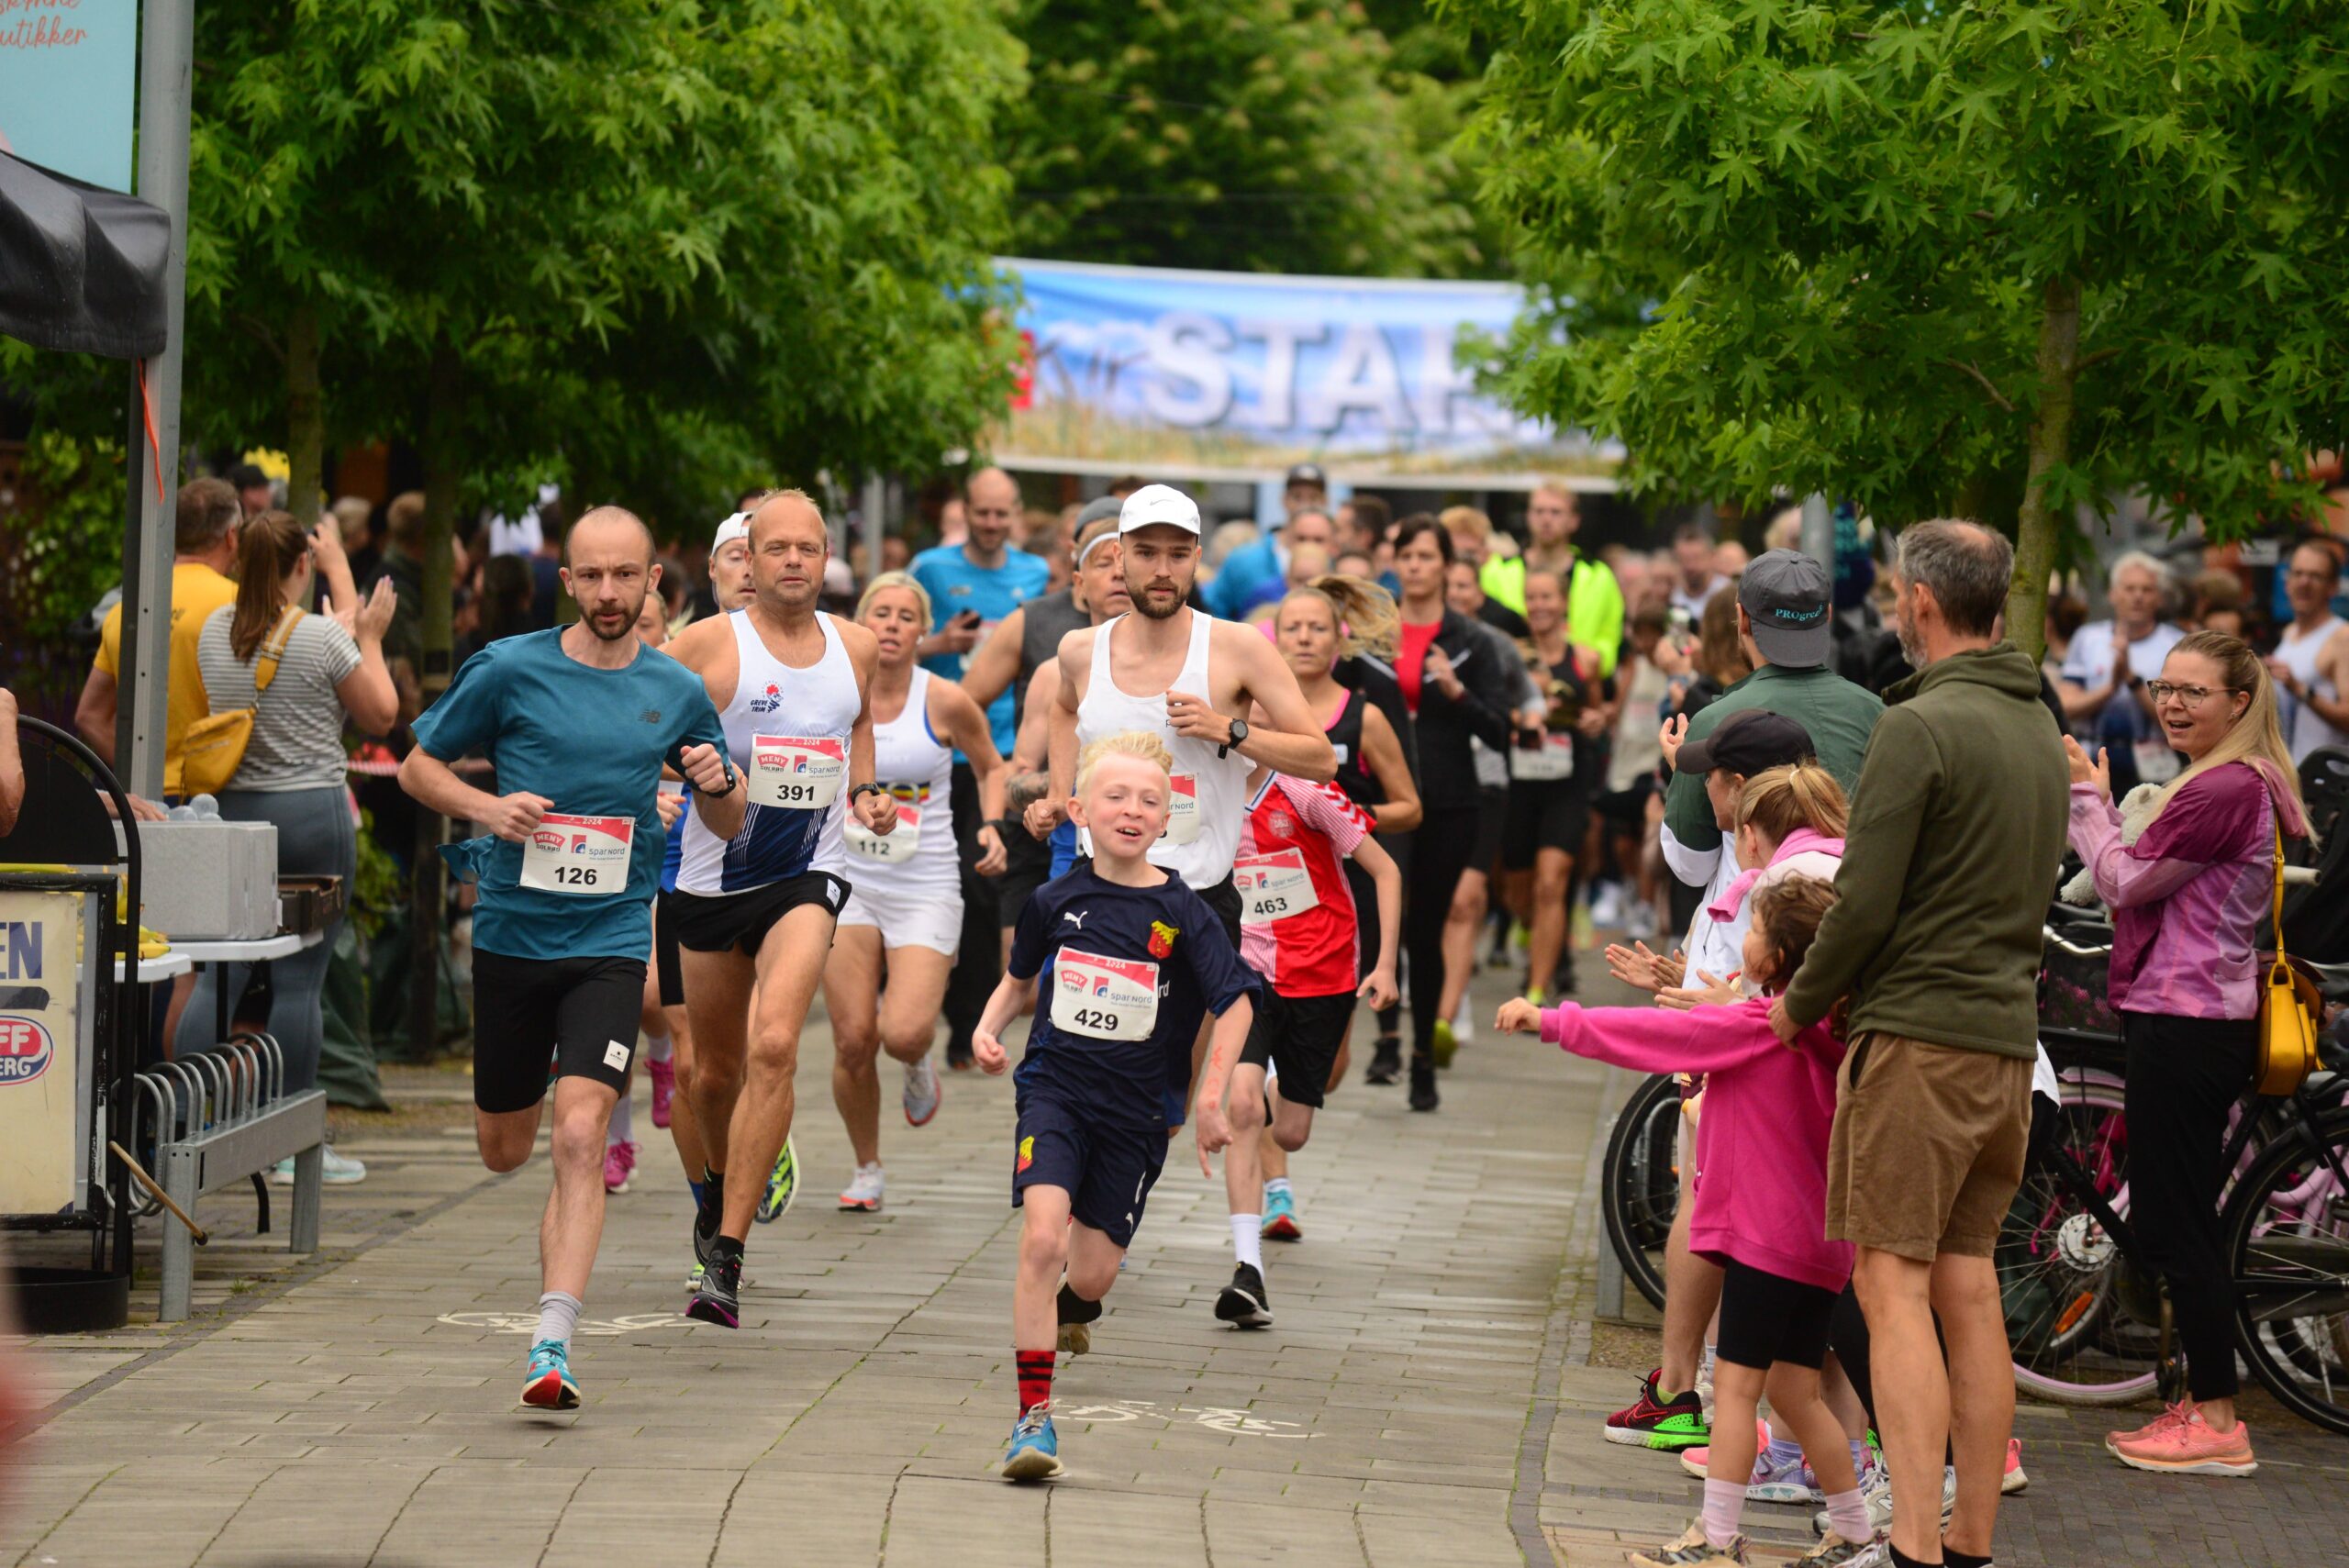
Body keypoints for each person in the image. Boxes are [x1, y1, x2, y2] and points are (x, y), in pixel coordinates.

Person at [1770, 519, 2068, 1568]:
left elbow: (1861, 904)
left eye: (1901, 592)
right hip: (2005, 1044)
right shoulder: (2035, 720)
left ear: (1922, 603)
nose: (1898, 606)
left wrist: (1795, 1004)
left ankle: (1909, 1545)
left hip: (1920, 1040)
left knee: (1890, 1285)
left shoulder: (1920, 723)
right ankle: (1965, 1539)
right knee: (1968, 1285)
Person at [397, 506, 741, 1408]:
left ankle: (552, 1342)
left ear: (653, 580)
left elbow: (728, 815)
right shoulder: (509, 668)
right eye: (591, 575)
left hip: (612, 939)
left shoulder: (675, 688)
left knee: (583, 1133)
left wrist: (719, 785)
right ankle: (532, 1128)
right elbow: (416, 768)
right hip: (513, 936)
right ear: (567, 581)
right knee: (505, 1149)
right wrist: (486, 808)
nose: (608, 592)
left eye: (625, 575)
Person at [1502, 875, 1880, 1568]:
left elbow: (1652, 1034)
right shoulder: (1837, 1030)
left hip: (1763, 1243)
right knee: (1796, 1392)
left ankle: (1715, 1539)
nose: (1744, 937)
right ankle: (1856, 1530)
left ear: (1775, 959)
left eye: (1754, 929)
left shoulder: (1758, 1026)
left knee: (1734, 1392)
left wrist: (1550, 1020)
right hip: (1821, 1248)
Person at [974, 732, 1256, 1481]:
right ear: (1079, 811)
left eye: (1149, 801)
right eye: (1116, 796)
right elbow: (1020, 978)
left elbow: (1235, 1003)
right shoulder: (1053, 900)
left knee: (1092, 1275)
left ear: (1166, 819)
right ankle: (1032, 1419)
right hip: (1054, 1091)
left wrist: (1208, 1096)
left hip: (1136, 1114)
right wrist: (986, 1027)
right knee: (1042, 1240)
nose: (1132, 810)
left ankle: (1075, 1305)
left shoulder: (1183, 910)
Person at [2065, 630, 2310, 1477]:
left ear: (2239, 702)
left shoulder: (2223, 788)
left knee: (2178, 1224)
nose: (2171, 703)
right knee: (2186, 1218)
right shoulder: (2238, 779)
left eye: (2193, 692)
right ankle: (2204, 1407)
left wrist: (2084, 802)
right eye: (2162, 687)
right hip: (2199, 1016)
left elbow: (2124, 882)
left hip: (2185, 1020)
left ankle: (2216, 1419)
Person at [1030, 484, 1336, 1135]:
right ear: (1119, 557)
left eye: (1177, 554)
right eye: (1146, 553)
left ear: (1198, 557)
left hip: (1195, 901)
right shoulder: (1082, 651)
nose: (1162, 569)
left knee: (1161, 1109)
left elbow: (1320, 757)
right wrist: (1060, 796)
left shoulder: (1237, 647)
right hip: (1099, 894)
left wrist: (1230, 730)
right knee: (1072, 1078)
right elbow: (1062, 707)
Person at [660, 490, 897, 1328]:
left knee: (773, 1045)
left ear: (827, 557)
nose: (794, 560)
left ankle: (725, 1256)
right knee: (711, 1073)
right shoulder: (708, 644)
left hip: (808, 873)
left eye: (809, 548)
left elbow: (855, 723)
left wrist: (864, 791)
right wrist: (675, 775)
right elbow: (642, 719)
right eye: (777, 548)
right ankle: (719, 1187)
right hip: (712, 878)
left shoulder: (856, 644)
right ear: (749, 561)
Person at [1601, 714, 1828, 1456]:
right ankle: (1739, 1419)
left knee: (1729, 1233)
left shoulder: (1786, 872)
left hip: (1748, 1076)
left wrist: (1726, 1010)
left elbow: (1784, 997)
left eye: (1710, 779)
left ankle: (1742, 1426)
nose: (1703, 792)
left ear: (1743, 788)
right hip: (1735, 1060)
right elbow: (1748, 982)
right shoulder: (1777, 856)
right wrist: (1680, 981)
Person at [177, 513, 397, 1188]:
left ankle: (185, 1129)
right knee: (301, 978)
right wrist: (370, 638)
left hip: (234, 815)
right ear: (301, 566)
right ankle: (295, 1141)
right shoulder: (321, 637)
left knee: (219, 973)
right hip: (310, 817)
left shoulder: (215, 632)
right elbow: (382, 713)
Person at [814, 573, 1008, 1210]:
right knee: (852, 1038)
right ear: (860, 624)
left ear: (923, 631)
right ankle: (866, 1167)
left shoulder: (945, 699)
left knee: (901, 1033)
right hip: (848, 880)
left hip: (925, 884)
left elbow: (991, 765)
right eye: (881, 612)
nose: (892, 625)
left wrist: (991, 824)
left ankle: (917, 1060)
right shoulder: (833, 694)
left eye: (905, 615)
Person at [1216, 757, 1400, 1327]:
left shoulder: (1306, 792)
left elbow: (1387, 871)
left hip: (1325, 976)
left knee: (1290, 1133)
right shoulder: (1204, 794)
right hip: (1249, 973)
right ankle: (1248, 1270)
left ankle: (1274, 1084)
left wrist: (1385, 965)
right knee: (1243, 1107)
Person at [1259, 576, 1420, 1201]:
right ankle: (1272, 1184)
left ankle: (1280, 1097)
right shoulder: (1254, 710)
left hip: (1347, 891)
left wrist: (1345, 818)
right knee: (1252, 1055)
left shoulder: (1364, 714)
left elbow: (1410, 806)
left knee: (1329, 1068)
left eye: (1317, 627)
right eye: (1292, 627)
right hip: (1266, 896)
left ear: (1339, 639)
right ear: (1274, 637)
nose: (1304, 638)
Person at [912, 467, 1050, 1071]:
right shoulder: (930, 569)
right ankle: (958, 1018)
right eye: (982, 512)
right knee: (962, 881)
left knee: (996, 879)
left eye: (1002, 513)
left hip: (1012, 753)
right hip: (948, 750)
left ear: (1015, 514)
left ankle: (986, 1012)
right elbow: (890, 642)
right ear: (964, 512)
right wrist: (938, 643)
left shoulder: (1035, 574)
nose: (992, 523)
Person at [1385, 516, 1516, 1110]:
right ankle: (1386, 1038)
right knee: (1380, 919)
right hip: (1384, 797)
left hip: (1448, 799)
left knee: (1425, 928)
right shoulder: (1375, 631)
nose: (1415, 566)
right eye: (1406, 555)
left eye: (1426, 556)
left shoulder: (1471, 639)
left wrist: (1456, 692)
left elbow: (1499, 729)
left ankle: (1421, 1060)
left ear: (1445, 564)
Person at [962, 495, 1120, 988]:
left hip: (1162, 853)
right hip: (1067, 849)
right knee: (1044, 988)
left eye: (1129, 560)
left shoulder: (1188, 662)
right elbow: (1016, 777)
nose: (1119, 573)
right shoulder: (1056, 670)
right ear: (1078, 580)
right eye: (1104, 562)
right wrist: (1060, 790)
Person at [74, 477, 242, 788]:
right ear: (231, 536)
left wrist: (142, 778)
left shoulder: (125, 610)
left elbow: (90, 715)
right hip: (214, 798)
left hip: (142, 800)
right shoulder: (240, 604)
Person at [1508, 569, 1607, 1004]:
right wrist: (1519, 718)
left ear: (1563, 603)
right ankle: (1527, 928)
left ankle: (1536, 989)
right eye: (1531, 598)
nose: (1539, 606)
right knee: (1518, 890)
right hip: (1520, 781)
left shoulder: (1586, 658)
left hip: (1568, 780)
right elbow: (1494, 706)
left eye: (1547, 597)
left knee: (1552, 883)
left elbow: (1598, 711)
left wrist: (1596, 720)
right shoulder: (1510, 656)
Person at [2058, 550, 2185, 796]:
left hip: (2156, 766)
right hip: (2094, 760)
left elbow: (2179, 713)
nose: (2138, 596)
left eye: (2147, 589)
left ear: (2159, 598)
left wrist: (2132, 680)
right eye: (2129, 588)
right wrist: (2110, 688)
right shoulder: (2087, 638)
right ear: (2112, 594)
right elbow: (2067, 706)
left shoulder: (2176, 644)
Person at [1479, 484, 1626, 673]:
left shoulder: (1599, 576)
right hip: (1512, 677)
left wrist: (1595, 659)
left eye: (1555, 512)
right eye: (1539, 511)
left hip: (1581, 680)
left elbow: (1611, 637)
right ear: (1528, 516)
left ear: (1574, 520)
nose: (1546, 519)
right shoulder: (1496, 572)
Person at [1591, 607, 1671, 940]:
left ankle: (1645, 904)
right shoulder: (1631, 668)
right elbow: (1616, 709)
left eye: (1653, 633)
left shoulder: (1671, 669)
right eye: (1642, 634)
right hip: (1626, 761)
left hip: (1653, 762)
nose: (1647, 641)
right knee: (1624, 841)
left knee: (1648, 836)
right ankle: (1630, 888)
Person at [1204, 463, 1328, 618]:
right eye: (1297, 496)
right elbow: (1213, 608)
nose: (1305, 504)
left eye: (1314, 497)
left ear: (1325, 501)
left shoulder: (1338, 560)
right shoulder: (1243, 560)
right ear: (1284, 499)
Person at [2270, 539, 2349, 762]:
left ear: (2333, 587)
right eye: (2298, 573)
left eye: (2315, 576)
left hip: (2325, 777)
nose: (2304, 582)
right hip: (2288, 771)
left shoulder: (2342, 637)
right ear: (2287, 582)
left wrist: (2300, 689)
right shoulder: (2289, 633)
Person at [1670, 525, 1732, 622]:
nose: (1690, 566)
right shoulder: (1672, 595)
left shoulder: (1726, 592)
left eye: (1697, 559)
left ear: (1712, 557)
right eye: (1684, 559)